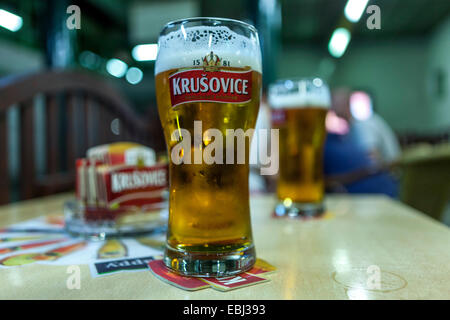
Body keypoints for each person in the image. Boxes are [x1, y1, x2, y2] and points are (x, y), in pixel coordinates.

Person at [324, 88, 399, 197]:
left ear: (346, 103)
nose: (331, 106)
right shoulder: (354, 125)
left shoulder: (363, 125)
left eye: (334, 102)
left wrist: (339, 180)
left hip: (386, 186)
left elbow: (373, 161)